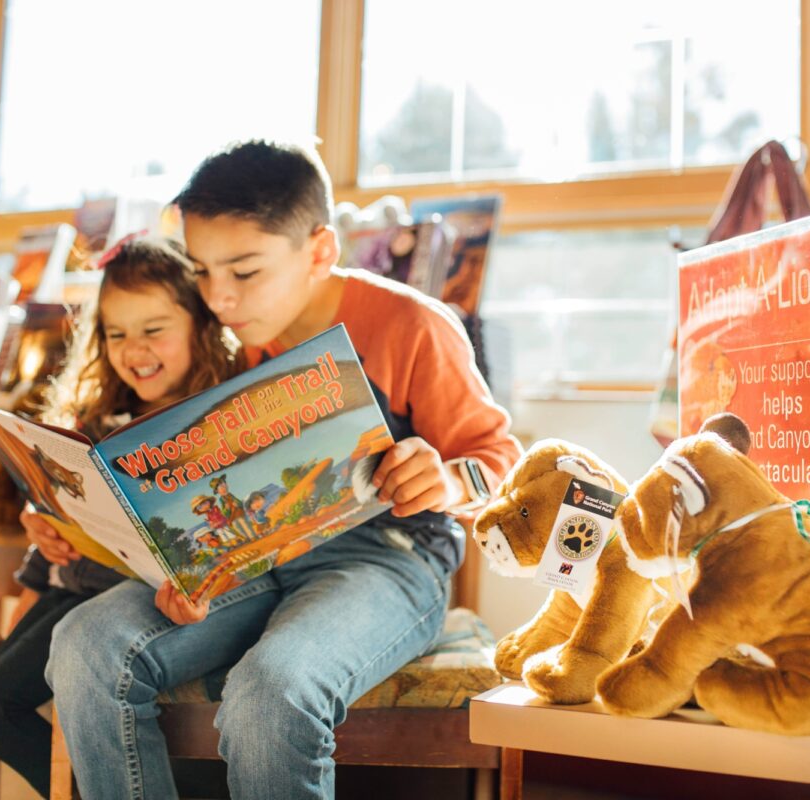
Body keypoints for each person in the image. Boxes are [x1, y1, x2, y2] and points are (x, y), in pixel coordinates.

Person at [46, 139, 522, 800]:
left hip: (385, 561)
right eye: (204, 271)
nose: (219, 298)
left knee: (271, 689)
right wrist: (187, 564)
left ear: (320, 251)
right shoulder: (241, 340)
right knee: (83, 644)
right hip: (259, 555)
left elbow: (505, 468)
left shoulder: (413, 326)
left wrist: (444, 475)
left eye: (244, 272)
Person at [0, 236, 239, 798]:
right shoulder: (96, 415)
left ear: (201, 326)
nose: (134, 349)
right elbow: (59, 512)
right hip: (70, 587)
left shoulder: (218, 419)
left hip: (143, 603)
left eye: (154, 329)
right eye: (116, 334)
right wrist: (42, 526)